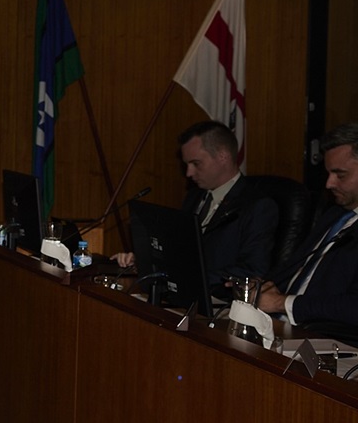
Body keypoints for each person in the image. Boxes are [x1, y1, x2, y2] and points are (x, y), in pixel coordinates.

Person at [114, 121, 277, 295]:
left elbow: (252, 271)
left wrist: (184, 276)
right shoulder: (195, 197)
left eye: (196, 164)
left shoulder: (257, 205)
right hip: (181, 294)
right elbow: (177, 249)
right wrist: (145, 261)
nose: (188, 173)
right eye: (187, 165)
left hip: (220, 301)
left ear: (223, 156)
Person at [257, 123, 358, 342]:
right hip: (281, 328)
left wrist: (281, 302)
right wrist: (263, 287)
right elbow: (298, 270)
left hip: (329, 342)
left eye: (340, 174)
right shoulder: (335, 214)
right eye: (328, 173)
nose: (329, 183)